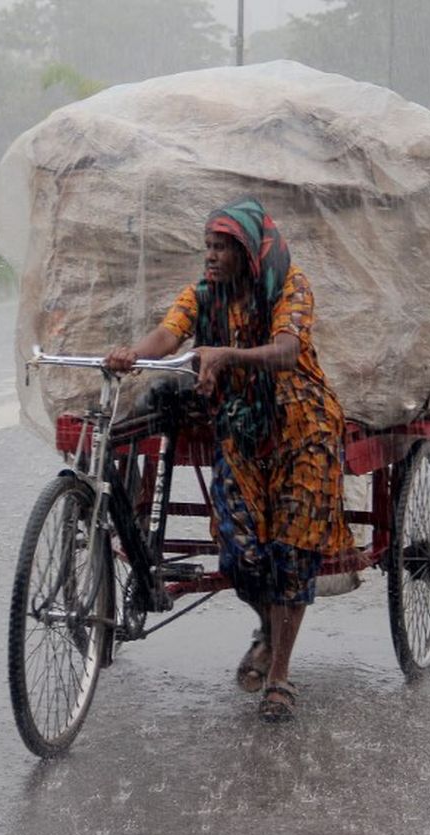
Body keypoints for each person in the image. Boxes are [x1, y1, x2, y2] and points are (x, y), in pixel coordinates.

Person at [104, 197, 353, 723]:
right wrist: (133, 355)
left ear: (246, 252)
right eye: (208, 247)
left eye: (221, 248)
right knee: (240, 552)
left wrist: (225, 356)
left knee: (290, 552)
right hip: (242, 427)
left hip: (303, 429)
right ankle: (268, 627)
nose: (211, 257)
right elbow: (169, 334)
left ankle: (280, 677)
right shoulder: (202, 295)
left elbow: (286, 350)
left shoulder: (290, 286)